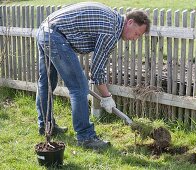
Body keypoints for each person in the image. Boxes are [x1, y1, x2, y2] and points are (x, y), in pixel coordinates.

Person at [36, 2, 151, 149]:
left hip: (44, 30)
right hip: (56, 36)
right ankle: (85, 137)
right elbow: (96, 70)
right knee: (79, 87)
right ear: (130, 22)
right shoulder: (111, 30)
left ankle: (46, 126)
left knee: (46, 83)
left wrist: (105, 96)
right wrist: (107, 97)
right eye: (137, 34)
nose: (135, 38)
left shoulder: (112, 19)